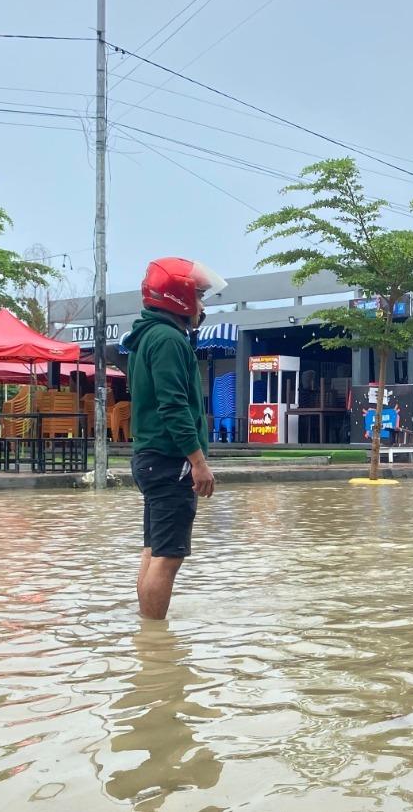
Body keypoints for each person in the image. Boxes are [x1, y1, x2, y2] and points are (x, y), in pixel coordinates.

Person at [128, 256, 225, 620]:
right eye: (198, 296)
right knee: (168, 557)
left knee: (154, 550)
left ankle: (147, 634)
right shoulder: (169, 340)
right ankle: (155, 641)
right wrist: (198, 461)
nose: (201, 305)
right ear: (179, 298)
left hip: (151, 457)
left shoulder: (147, 336)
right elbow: (174, 406)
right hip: (171, 461)